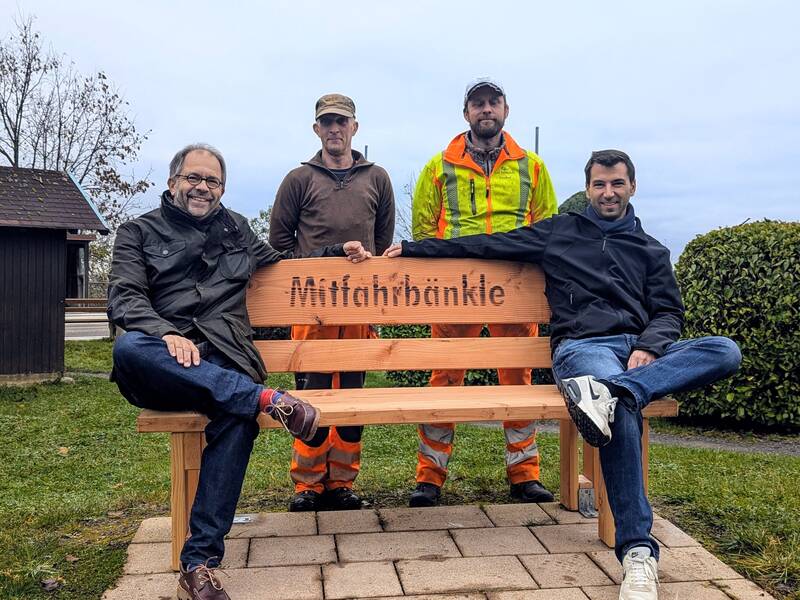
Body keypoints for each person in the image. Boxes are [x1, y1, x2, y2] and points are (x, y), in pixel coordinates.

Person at [385, 149, 742, 600]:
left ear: (632, 186)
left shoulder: (652, 250)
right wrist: (415, 247)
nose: (607, 192)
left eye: (616, 183)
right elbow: (486, 244)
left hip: (637, 353)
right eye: (599, 184)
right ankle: (637, 553)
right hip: (584, 349)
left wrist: (650, 347)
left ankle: (618, 393)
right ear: (588, 188)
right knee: (617, 413)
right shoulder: (561, 232)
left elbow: (669, 311)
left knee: (723, 350)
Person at [108, 143, 371, 600]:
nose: (202, 188)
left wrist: (334, 250)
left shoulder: (236, 230)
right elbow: (124, 298)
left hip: (220, 361)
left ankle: (199, 564)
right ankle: (263, 398)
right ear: (172, 183)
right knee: (129, 347)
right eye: (193, 178)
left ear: (222, 188)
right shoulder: (137, 233)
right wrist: (164, 333)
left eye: (211, 181)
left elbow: (283, 264)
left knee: (234, 415)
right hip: (162, 365)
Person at [408, 78, 558, 507]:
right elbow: (423, 230)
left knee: (519, 380)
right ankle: (430, 477)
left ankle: (525, 475)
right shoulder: (438, 167)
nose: (486, 109)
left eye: (493, 102)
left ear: (506, 110)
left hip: (516, 289)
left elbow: (546, 226)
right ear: (466, 113)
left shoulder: (532, 167)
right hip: (457, 291)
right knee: (445, 379)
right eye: (478, 103)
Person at [270, 93, 395, 512]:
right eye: (327, 122)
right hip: (311, 308)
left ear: (355, 127)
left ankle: (342, 481)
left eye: (342, 121)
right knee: (313, 394)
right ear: (316, 129)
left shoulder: (377, 178)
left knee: (353, 398)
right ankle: (307, 484)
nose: (335, 129)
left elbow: (381, 244)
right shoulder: (298, 180)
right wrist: (326, 257)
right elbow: (278, 247)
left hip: (359, 308)